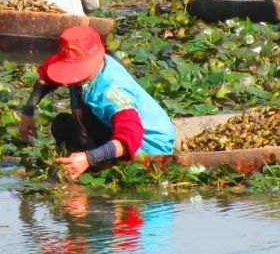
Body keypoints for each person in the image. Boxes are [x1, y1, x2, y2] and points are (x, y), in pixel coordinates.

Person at [17, 25, 175, 180]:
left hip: (147, 144)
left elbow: (130, 137)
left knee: (82, 134)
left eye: (79, 70)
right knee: (62, 124)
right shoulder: (79, 64)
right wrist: (28, 113)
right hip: (115, 128)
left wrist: (89, 158)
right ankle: (83, 159)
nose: (74, 76)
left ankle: (92, 163)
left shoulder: (111, 89)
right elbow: (47, 74)